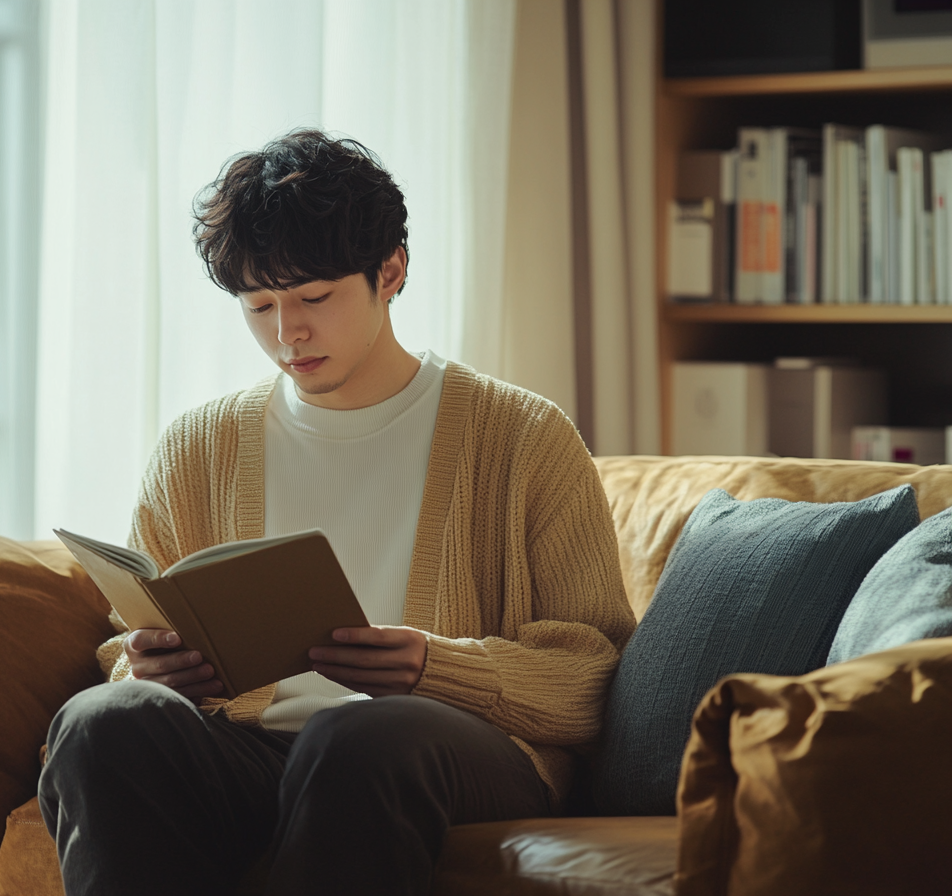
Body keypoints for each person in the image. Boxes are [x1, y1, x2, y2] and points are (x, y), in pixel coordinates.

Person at [37, 129, 635, 896]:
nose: (288, 333)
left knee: (357, 734)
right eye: (259, 305)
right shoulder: (200, 445)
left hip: (451, 753)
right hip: (254, 748)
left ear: (391, 271)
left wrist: (432, 666)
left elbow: (592, 677)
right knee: (101, 722)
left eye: (315, 297)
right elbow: (126, 646)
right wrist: (150, 667)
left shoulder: (523, 436)